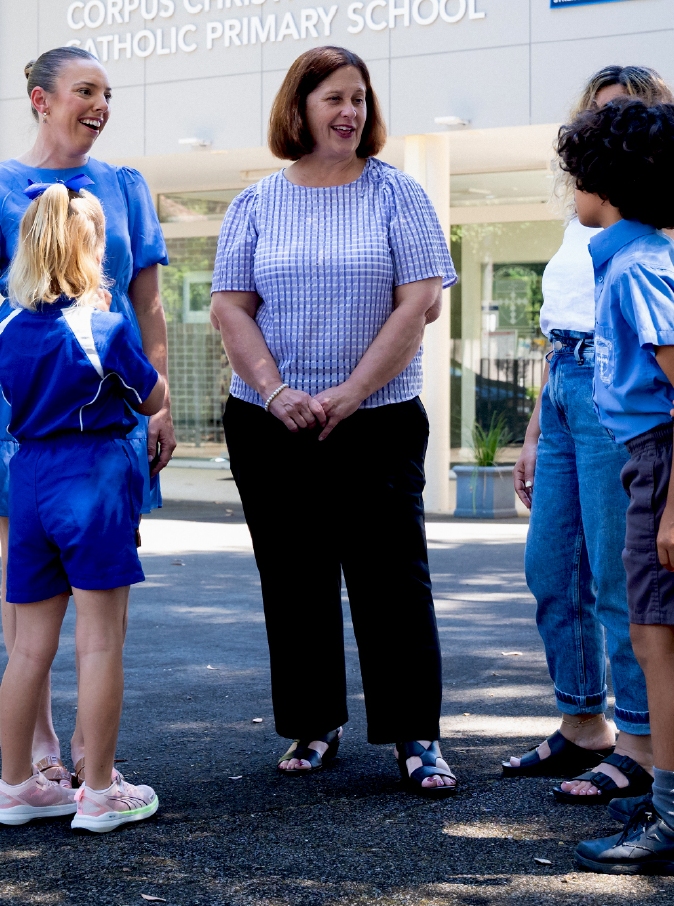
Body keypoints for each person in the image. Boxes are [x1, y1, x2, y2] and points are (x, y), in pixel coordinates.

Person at [209, 46, 460, 795]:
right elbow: (230, 307)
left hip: (376, 417)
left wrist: (351, 390)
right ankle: (313, 723)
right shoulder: (254, 203)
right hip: (270, 420)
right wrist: (276, 389)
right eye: (331, 99)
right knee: (293, 579)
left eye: (357, 97)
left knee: (391, 580)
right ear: (299, 109)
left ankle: (415, 733)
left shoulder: (398, 194)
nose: (348, 111)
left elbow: (419, 302)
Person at [0, 47, 171, 787]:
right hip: (20, 424)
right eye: (83, 91)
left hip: (113, 416)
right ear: (40, 98)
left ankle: (96, 757)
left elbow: (147, 304)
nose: (98, 105)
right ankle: (37, 753)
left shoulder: (125, 186)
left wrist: (163, 408)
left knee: (99, 601)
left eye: (106, 94)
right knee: (25, 591)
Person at [501, 65, 674, 807]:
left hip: (633, 406)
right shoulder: (590, 219)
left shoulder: (663, 220)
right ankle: (583, 724)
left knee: (626, 585)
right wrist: (538, 424)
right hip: (568, 385)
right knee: (552, 570)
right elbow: (569, 323)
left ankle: (644, 746)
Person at [553, 99, 674, 876]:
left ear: (608, 183)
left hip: (673, 463)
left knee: (654, 640)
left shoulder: (634, 268)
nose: (572, 190)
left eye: (577, 177)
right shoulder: (653, 258)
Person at [0, 183, 166, 833]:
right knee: (99, 642)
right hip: (90, 477)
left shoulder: (5, 322)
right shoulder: (104, 325)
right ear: (88, 249)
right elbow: (148, 396)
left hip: (27, 476)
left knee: (28, 649)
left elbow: (9, 385)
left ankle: (13, 786)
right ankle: (95, 792)